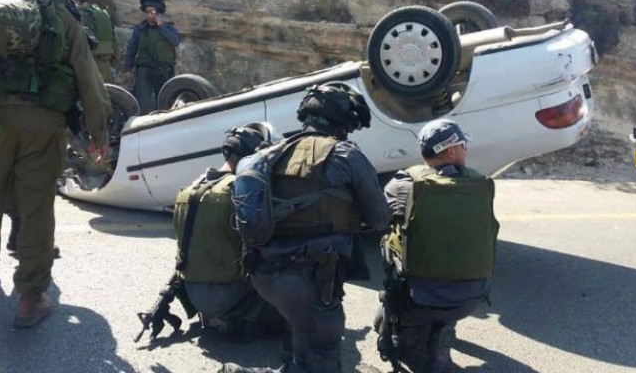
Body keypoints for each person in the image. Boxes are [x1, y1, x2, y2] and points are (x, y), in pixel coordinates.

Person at [0, 0, 111, 328]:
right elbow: (89, 80)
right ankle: (30, 299)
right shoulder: (61, 9)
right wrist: (98, 132)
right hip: (42, 123)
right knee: (36, 207)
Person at [221, 82, 390, 373]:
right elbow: (379, 219)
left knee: (305, 336)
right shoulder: (345, 154)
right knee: (322, 353)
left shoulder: (271, 153)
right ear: (345, 120)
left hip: (263, 272)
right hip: (310, 279)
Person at [374, 119, 500, 372]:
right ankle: (442, 334)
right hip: (472, 297)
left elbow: (376, 218)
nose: (466, 150)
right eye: (464, 145)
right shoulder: (481, 183)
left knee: (387, 245)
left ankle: (409, 342)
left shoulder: (403, 183)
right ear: (451, 150)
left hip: (418, 299)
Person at [172, 123, 285, 339]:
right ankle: (237, 317)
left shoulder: (190, 189)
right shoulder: (239, 190)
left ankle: (218, 317)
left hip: (194, 294)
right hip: (229, 295)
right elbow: (262, 239)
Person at [122, 0, 180, 115]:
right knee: (142, 103)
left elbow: (175, 41)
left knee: (166, 103)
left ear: (158, 13)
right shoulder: (140, 29)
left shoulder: (168, 27)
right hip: (145, 71)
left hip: (164, 70)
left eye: (152, 12)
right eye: (147, 12)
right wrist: (128, 69)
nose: (149, 15)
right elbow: (131, 49)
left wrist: (162, 27)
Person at [66, 0, 121, 84]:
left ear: (75, 1)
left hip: (86, 68)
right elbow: (116, 49)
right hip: (106, 68)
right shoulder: (102, 14)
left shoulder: (77, 15)